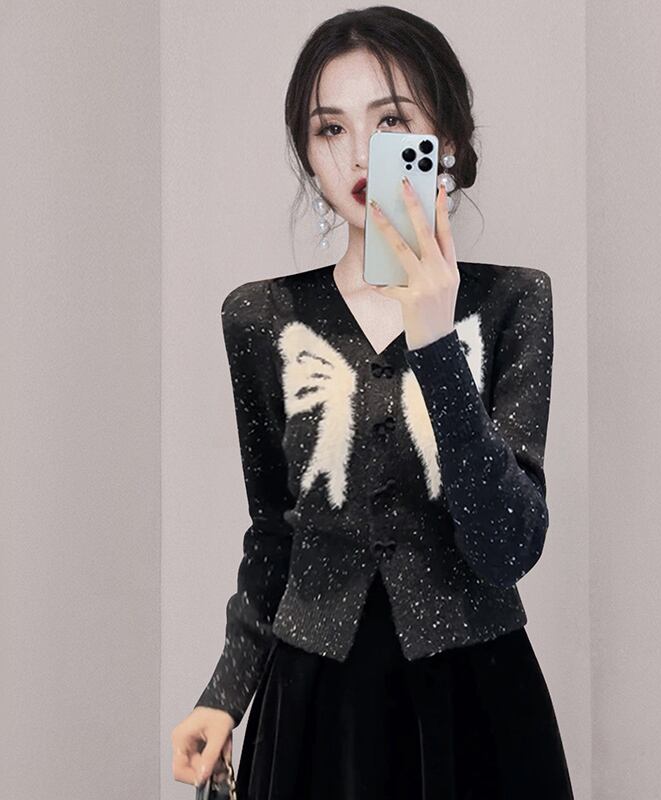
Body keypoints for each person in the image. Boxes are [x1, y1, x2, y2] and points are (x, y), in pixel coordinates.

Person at [172, 7, 574, 799]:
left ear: (445, 139)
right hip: (314, 708)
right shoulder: (262, 317)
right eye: (330, 129)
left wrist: (434, 337)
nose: (358, 154)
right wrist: (224, 693)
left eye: (390, 121)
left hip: (478, 703)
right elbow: (275, 531)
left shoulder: (512, 303)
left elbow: (507, 547)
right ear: (307, 153)